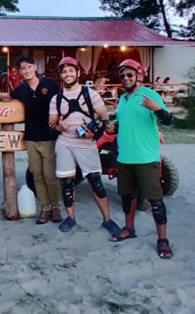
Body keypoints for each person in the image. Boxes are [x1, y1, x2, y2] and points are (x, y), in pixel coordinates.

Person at [108, 58, 175, 258]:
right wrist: (114, 127)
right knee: (127, 196)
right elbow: (123, 122)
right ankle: (129, 228)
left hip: (146, 157)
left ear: (139, 75)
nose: (125, 78)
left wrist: (157, 108)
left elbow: (169, 120)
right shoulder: (122, 99)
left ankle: (163, 240)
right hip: (125, 157)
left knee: (155, 200)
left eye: (130, 75)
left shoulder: (149, 94)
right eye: (122, 76)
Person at [47, 56, 120, 236]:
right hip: (64, 143)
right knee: (67, 182)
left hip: (87, 144)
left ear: (78, 73)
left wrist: (93, 134)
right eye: (64, 71)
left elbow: (104, 120)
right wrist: (58, 127)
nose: (67, 74)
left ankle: (107, 220)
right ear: (61, 76)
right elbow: (51, 125)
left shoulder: (91, 94)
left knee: (95, 181)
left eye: (71, 70)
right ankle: (71, 217)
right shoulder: (56, 99)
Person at [0, 55, 62, 224]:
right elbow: (9, 96)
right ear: (20, 72)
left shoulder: (50, 83)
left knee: (50, 176)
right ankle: (45, 208)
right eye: (23, 68)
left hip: (49, 136)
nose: (26, 71)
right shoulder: (22, 89)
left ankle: (56, 207)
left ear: (34, 67)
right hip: (31, 138)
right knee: (37, 175)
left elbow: (62, 103)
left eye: (28, 67)